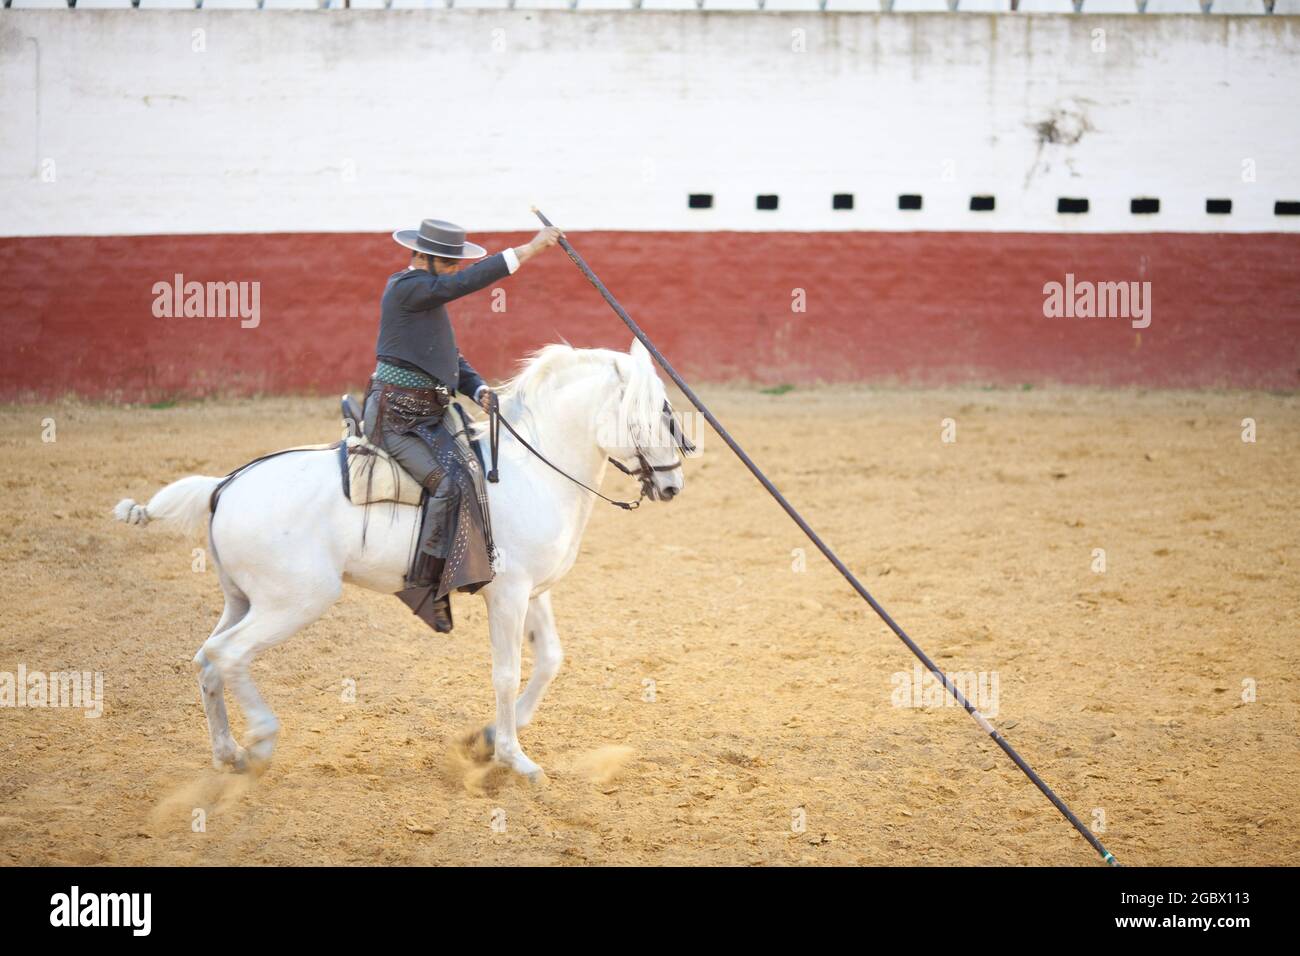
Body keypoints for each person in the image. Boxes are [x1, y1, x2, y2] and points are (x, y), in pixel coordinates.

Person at [362, 217, 562, 631]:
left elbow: (447, 356)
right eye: (449, 262)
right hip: (395, 419)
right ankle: (423, 583)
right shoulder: (407, 287)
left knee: (475, 470)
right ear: (426, 258)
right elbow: (459, 286)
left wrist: (478, 390)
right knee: (448, 483)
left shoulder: (425, 297)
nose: (454, 268)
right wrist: (530, 249)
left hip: (430, 414)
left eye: (455, 262)